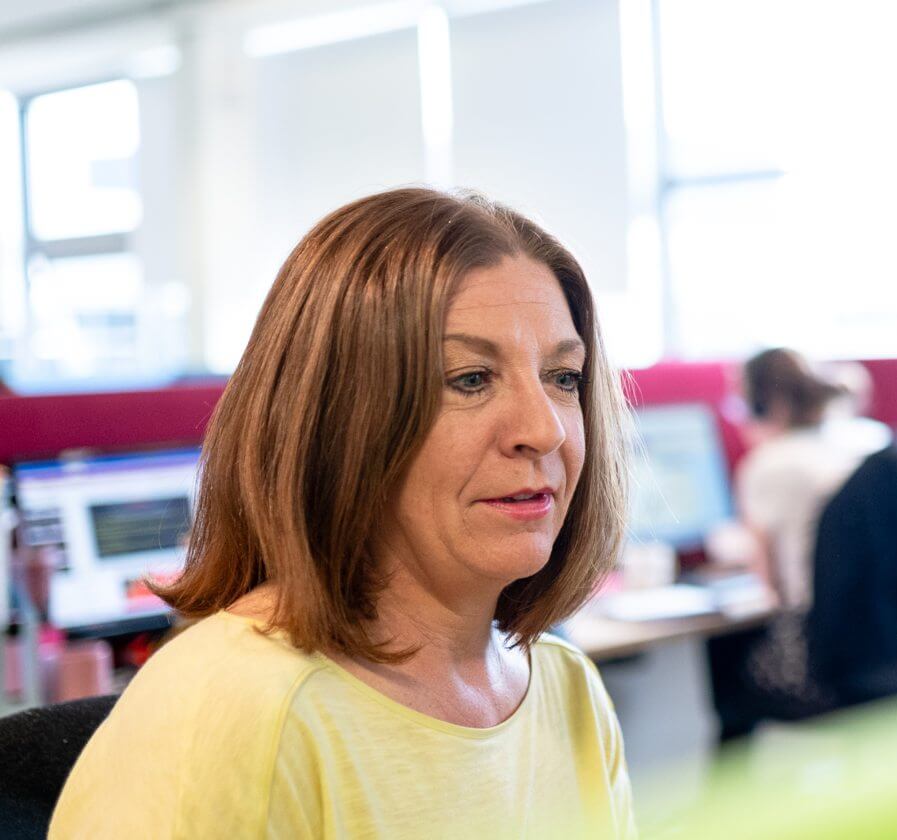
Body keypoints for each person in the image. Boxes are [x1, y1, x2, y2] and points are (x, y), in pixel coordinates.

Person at [51, 188, 638, 838]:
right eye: (470, 379)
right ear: (337, 421)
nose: (545, 429)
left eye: (563, 377)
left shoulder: (567, 690)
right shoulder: (226, 715)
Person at [734, 348, 889, 607]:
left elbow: (770, 585)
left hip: (816, 629)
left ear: (763, 406)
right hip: (896, 624)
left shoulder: (769, 464)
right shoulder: (873, 438)